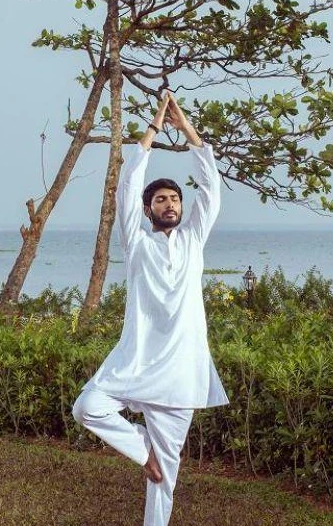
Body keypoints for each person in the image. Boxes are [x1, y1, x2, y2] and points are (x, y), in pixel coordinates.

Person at [71, 93, 228, 525]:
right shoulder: (136, 243)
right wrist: (155, 128)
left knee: (164, 478)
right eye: (160, 200)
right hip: (136, 362)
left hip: (180, 374)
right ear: (148, 210)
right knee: (87, 408)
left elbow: (211, 189)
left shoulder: (194, 240)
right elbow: (125, 185)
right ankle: (143, 448)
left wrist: (188, 129)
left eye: (174, 199)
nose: (170, 204)